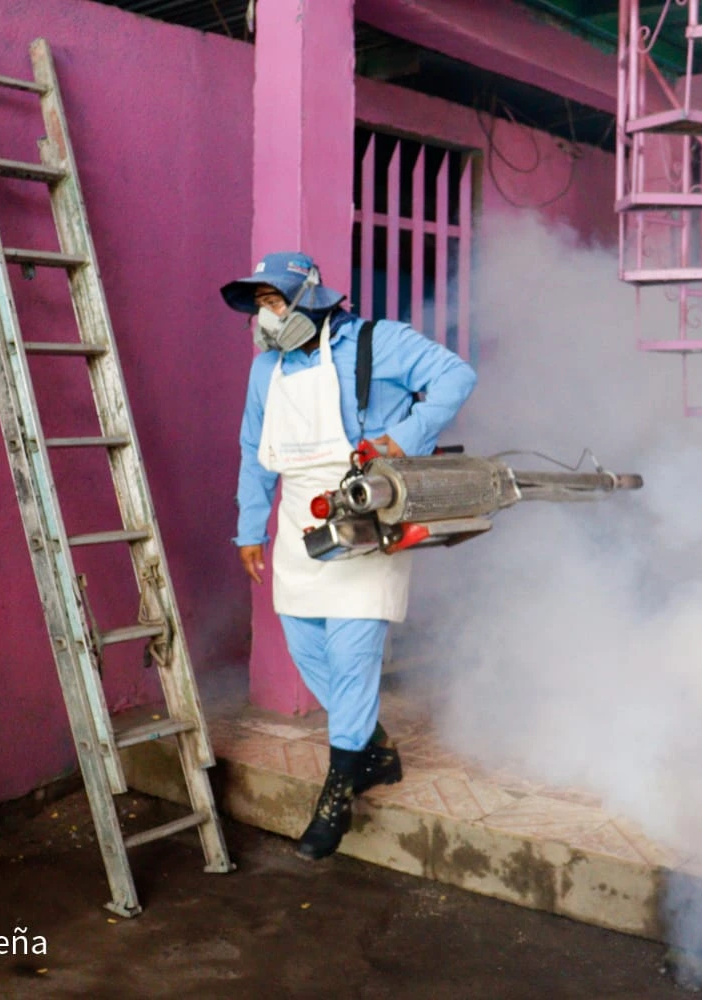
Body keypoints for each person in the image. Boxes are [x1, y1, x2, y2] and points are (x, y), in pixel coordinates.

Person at [222, 251, 477, 859]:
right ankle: (375, 751)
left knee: (351, 654)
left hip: (366, 512)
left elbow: (455, 374)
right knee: (306, 646)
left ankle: (337, 791)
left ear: (307, 298)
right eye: (260, 306)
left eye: (274, 301)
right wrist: (250, 528)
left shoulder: (375, 342)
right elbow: (253, 450)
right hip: (298, 520)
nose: (266, 317)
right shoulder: (267, 370)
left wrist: (405, 438)